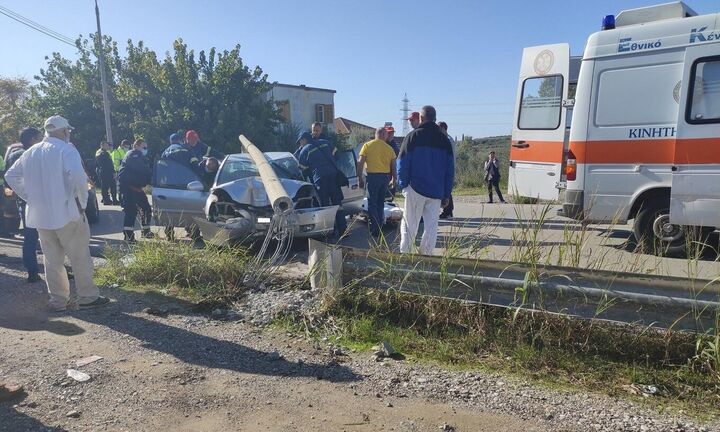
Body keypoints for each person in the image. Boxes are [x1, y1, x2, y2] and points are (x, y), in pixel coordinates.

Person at [5, 115, 108, 311]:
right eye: (67, 130)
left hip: (40, 215)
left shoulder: (31, 152)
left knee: (52, 260)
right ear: (64, 131)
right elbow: (79, 177)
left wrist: (30, 196)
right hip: (68, 212)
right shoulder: (66, 150)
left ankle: (59, 300)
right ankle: (87, 296)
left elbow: (11, 175)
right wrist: (83, 203)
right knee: (79, 257)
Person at [397, 106, 454, 255]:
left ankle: (406, 255)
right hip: (436, 191)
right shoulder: (444, 140)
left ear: (421, 118)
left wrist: (403, 184)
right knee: (431, 227)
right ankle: (426, 257)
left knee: (410, 225)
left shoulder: (412, 137)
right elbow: (450, 170)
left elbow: (402, 162)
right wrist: (446, 194)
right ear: (435, 118)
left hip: (415, 188)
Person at [4, 127, 43, 282]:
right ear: (33, 139)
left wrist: (24, 195)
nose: (42, 139)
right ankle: (58, 271)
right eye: (39, 137)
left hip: (25, 202)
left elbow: (9, 179)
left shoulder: (14, 156)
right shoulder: (38, 154)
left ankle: (32, 272)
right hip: (43, 200)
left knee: (30, 237)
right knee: (52, 236)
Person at [297, 132, 347, 237]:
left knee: (324, 206)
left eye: (300, 141)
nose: (300, 144)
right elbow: (337, 155)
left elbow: (303, 171)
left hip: (320, 180)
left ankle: (328, 232)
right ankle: (343, 231)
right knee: (338, 204)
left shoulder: (304, 150)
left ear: (304, 140)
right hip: (333, 177)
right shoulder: (325, 143)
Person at [357, 127, 397, 236]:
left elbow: (360, 162)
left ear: (376, 134)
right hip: (385, 178)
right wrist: (394, 179)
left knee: (372, 203)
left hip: (372, 177)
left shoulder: (367, 146)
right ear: (384, 135)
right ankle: (379, 225)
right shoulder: (389, 149)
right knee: (380, 203)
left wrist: (359, 178)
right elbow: (394, 166)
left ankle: (375, 229)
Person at [118, 139, 153, 242]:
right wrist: (152, 176)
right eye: (144, 147)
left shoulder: (138, 155)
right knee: (131, 211)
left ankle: (146, 231)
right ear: (136, 146)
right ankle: (128, 236)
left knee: (146, 208)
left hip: (136, 187)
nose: (145, 150)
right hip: (128, 188)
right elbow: (142, 169)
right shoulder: (134, 155)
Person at [438, 122, 456, 219]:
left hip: (446, 169)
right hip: (447, 168)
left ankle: (448, 211)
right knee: (446, 190)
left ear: (443, 128)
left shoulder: (447, 140)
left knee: (446, 191)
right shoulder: (448, 139)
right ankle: (448, 210)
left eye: (439, 128)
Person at [95, 141, 118, 205]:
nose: (108, 147)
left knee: (105, 187)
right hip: (107, 172)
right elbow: (109, 164)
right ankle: (112, 200)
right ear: (102, 145)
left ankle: (106, 199)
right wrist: (113, 172)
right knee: (112, 186)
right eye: (106, 145)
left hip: (102, 171)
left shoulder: (98, 152)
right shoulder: (105, 153)